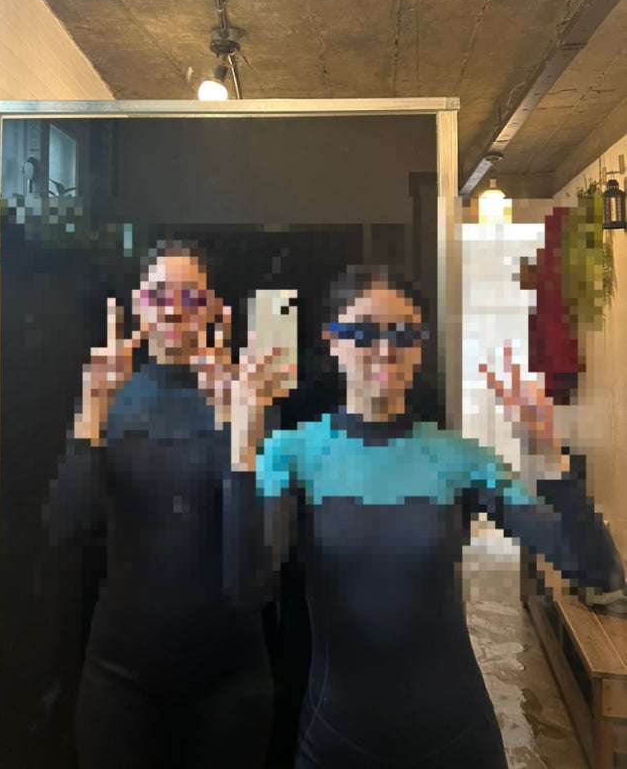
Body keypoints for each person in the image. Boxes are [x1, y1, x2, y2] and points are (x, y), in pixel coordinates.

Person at [222, 264, 624, 769]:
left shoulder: (460, 458)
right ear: (333, 341)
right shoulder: (291, 454)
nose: (384, 349)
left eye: (403, 334)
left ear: (419, 347)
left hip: (457, 741)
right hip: (336, 743)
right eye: (364, 333)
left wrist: (549, 457)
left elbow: (597, 572)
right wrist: (242, 449)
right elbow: (246, 587)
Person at [44, 240, 274, 769]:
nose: (173, 309)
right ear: (137, 305)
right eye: (158, 295)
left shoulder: (244, 397)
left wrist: (241, 435)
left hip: (230, 678)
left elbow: (252, 580)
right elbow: (66, 530)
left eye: (189, 296)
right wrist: (92, 411)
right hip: (120, 677)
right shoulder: (109, 394)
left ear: (214, 308)